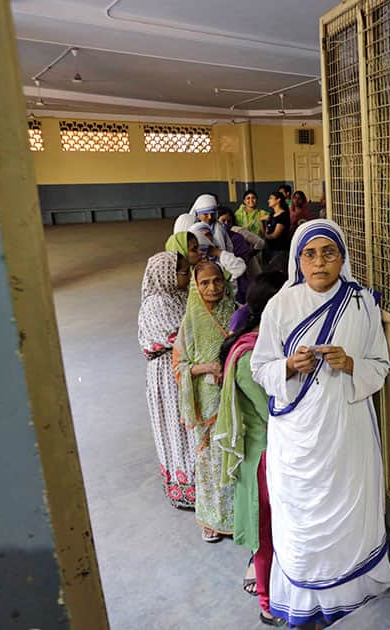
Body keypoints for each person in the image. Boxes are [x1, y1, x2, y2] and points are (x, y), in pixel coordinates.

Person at [250, 219, 390, 627]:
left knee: (349, 509)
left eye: (329, 253)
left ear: (342, 257)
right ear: (299, 260)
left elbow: (380, 366)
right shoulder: (281, 305)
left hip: (346, 432)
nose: (320, 263)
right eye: (310, 254)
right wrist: (288, 367)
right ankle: (306, 601)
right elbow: (260, 368)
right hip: (297, 438)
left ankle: (353, 594)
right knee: (301, 521)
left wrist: (350, 363)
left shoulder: (362, 303)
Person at [216, 272, 287, 627]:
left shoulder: (264, 343)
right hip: (262, 457)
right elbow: (274, 411)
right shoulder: (249, 355)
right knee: (266, 533)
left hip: (271, 452)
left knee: (276, 530)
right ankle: (267, 602)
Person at [173, 260, 239, 542]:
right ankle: (211, 518)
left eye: (217, 281)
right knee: (210, 461)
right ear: (195, 287)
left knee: (234, 454)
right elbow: (179, 367)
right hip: (207, 401)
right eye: (204, 283)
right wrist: (207, 368)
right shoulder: (190, 322)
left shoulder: (236, 313)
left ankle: (239, 516)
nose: (212, 288)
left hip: (236, 395)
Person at [138, 251, 197, 509]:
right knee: (178, 427)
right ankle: (187, 488)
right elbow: (181, 338)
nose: (189, 276)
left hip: (180, 368)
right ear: (166, 276)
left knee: (187, 426)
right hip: (168, 374)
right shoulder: (158, 303)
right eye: (184, 272)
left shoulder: (178, 295)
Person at [218, 206, 262, 302]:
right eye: (223, 220)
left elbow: (244, 257)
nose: (226, 224)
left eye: (229, 221)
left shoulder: (237, 237)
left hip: (239, 277)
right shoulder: (214, 238)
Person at [186, 223, 248, 288]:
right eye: (201, 236)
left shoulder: (219, 260)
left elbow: (239, 267)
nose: (205, 238)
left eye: (208, 234)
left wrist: (218, 252)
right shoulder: (190, 268)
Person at [262, 190, 292, 275]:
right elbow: (266, 230)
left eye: (271, 198)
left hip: (279, 249)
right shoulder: (272, 214)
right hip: (269, 248)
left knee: (277, 272)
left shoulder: (283, 215)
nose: (269, 200)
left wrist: (266, 235)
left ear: (278, 200)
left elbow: (275, 235)